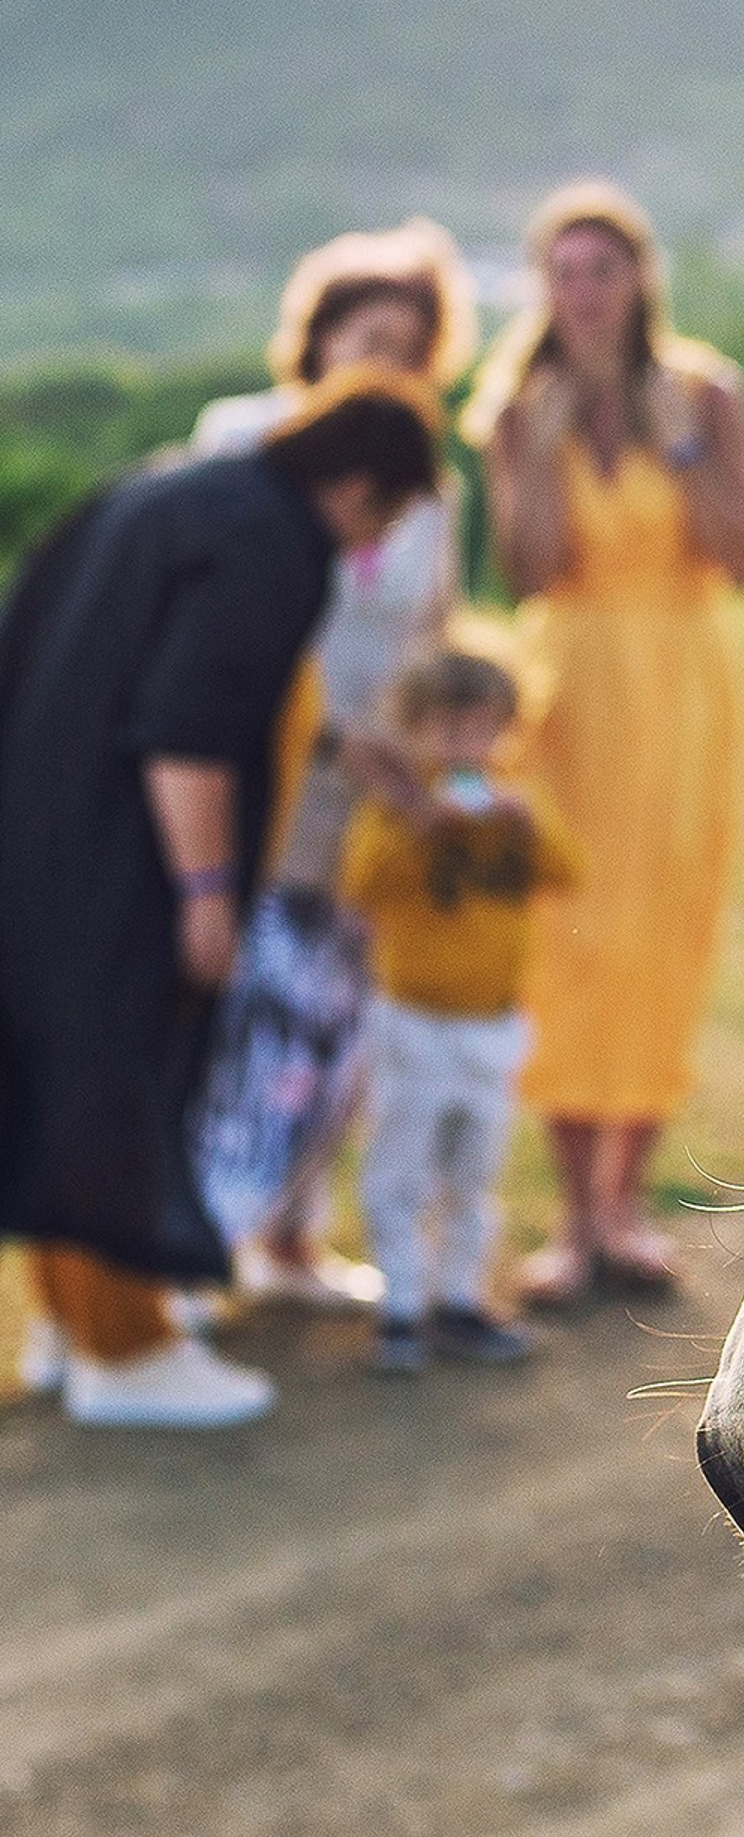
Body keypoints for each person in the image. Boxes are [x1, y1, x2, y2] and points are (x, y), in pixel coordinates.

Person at [0, 373, 442, 1426]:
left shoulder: (157, 490)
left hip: (38, 832)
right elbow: (187, 727)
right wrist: (205, 894)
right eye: (384, 516)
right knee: (126, 1078)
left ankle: (68, 1324)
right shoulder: (275, 540)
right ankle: (130, 1353)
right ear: (360, 486)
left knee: (58, 1076)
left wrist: (337, 743)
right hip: (132, 857)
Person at [465, 182, 744, 1304]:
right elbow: (531, 568)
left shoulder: (706, 391)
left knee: (660, 929)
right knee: (562, 934)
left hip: (681, 688)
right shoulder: (516, 407)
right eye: (561, 272)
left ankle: (622, 1209)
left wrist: (685, 450)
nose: (581, 293)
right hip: (565, 694)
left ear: (639, 277)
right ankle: (571, 1216)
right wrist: (541, 454)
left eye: (600, 269)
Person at [194, 220, 479, 1307]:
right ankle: (195, 1241)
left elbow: (433, 640)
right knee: (241, 1008)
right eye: (367, 334)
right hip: (252, 770)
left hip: (374, 790)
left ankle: (292, 1241)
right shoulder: (241, 437)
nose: (385, 361)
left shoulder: (431, 491)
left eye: (409, 346)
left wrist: (445, 767)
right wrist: (320, 724)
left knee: (338, 1016)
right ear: (313, 340)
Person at [340, 648, 578, 1374]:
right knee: (400, 1173)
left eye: (482, 731)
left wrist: (527, 825)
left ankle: (462, 1301)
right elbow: (361, 886)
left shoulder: (514, 805)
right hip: (415, 1024)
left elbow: (570, 874)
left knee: (475, 1174)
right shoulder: (394, 812)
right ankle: (401, 1308)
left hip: (492, 1026)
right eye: (447, 732)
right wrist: (419, 826)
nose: (466, 749)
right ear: (411, 733)